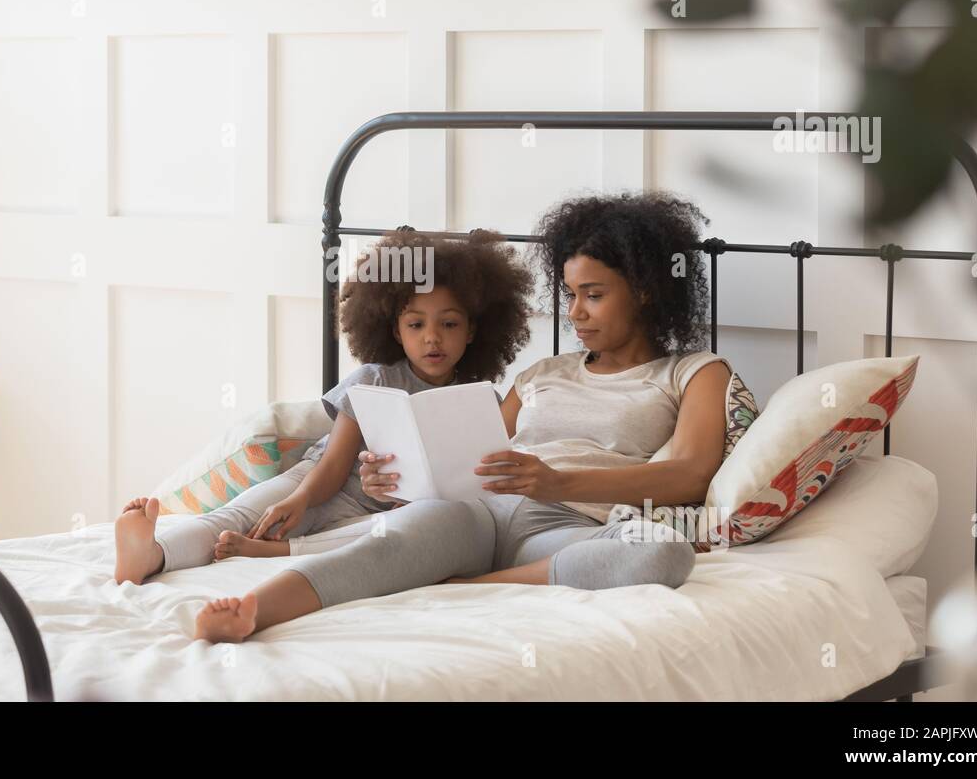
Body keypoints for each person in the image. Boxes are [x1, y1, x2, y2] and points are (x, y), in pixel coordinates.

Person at [190, 191, 732, 643]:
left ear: (643, 291)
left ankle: (475, 583)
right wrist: (394, 477)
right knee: (391, 539)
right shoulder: (541, 373)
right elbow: (468, 451)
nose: (574, 314)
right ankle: (254, 610)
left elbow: (689, 473)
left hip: (568, 525)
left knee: (663, 552)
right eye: (569, 295)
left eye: (593, 296)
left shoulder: (694, 373)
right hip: (477, 510)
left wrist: (559, 481)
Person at [113, 228, 533, 584]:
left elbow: (476, 488)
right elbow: (333, 465)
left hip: (388, 516)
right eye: (416, 324)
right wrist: (298, 499)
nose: (432, 339)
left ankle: (278, 553)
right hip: (320, 484)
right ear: (394, 329)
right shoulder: (374, 379)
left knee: (385, 541)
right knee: (239, 515)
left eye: (449, 324)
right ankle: (152, 554)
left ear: (475, 330)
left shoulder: (482, 401)